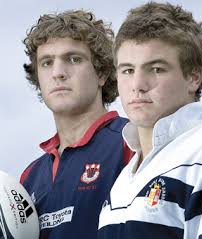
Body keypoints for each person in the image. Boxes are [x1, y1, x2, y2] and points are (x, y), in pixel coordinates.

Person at [98, 2, 202, 239]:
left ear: (193, 77)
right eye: (127, 70)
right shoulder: (123, 182)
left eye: (156, 69)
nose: (138, 85)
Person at [20, 9, 132, 239]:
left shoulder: (133, 141)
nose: (58, 73)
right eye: (46, 62)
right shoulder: (28, 177)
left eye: (73, 59)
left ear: (101, 72)